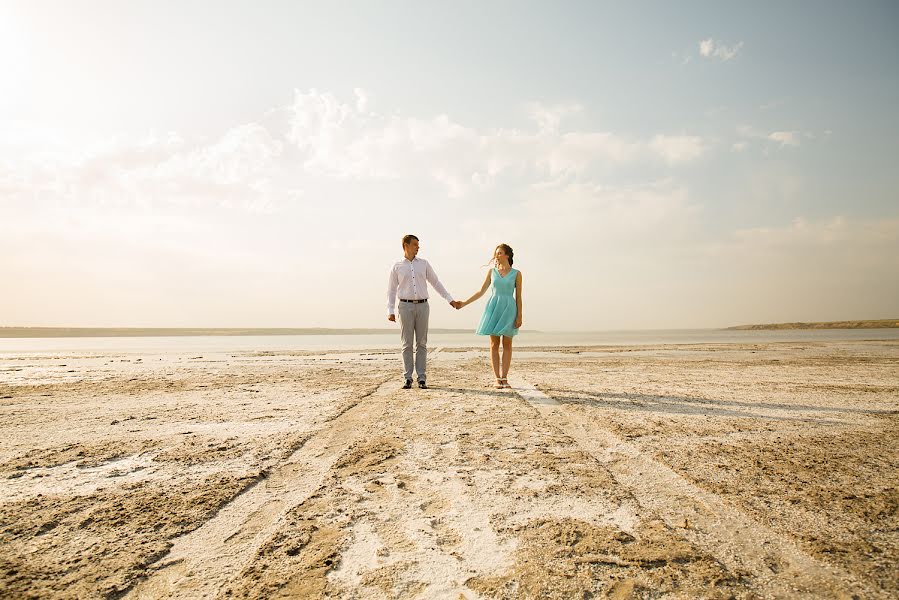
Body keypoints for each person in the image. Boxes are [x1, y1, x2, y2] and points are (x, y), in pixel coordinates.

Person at [387, 234, 461, 389]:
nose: (418, 247)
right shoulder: (397, 266)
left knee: (421, 343)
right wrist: (390, 310)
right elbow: (392, 290)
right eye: (415, 244)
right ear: (406, 245)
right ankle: (407, 378)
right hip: (405, 306)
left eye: (418, 245)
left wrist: (449, 299)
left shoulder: (424, 264)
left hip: (423, 306)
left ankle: (421, 378)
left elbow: (436, 282)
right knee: (407, 344)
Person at [457, 243, 522, 389]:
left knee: (507, 344)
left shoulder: (516, 273)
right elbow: (481, 292)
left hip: (509, 308)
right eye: (496, 253)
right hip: (494, 308)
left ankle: (505, 378)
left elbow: (518, 297)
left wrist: (520, 315)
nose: (496, 256)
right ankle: (497, 378)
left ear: (507, 255)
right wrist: (464, 303)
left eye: (499, 253)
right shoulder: (491, 272)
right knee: (494, 344)